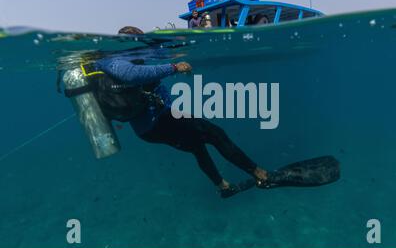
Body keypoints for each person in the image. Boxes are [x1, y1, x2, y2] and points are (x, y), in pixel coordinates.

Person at [91, 26, 268, 198]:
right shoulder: (111, 59)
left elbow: (152, 63)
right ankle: (260, 175)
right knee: (215, 134)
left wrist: (180, 45)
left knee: (198, 147)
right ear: (123, 42)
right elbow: (131, 75)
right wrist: (174, 67)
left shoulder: (134, 55)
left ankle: (224, 187)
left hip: (155, 123)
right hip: (156, 123)